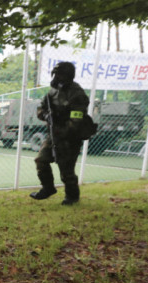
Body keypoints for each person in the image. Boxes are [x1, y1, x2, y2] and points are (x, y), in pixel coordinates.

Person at [30, 61, 89, 206]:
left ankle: (72, 197)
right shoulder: (53, 92)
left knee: (66, 170)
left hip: (70, 137)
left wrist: (63, 132)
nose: (57, 77)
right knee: (41, 160)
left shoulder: (77, 94)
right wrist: (45, 116)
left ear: (68, 76)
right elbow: (41, 108)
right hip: (53, 134)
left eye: (60, 75)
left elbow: (77, 119)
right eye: (55, 74)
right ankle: (48, 188)